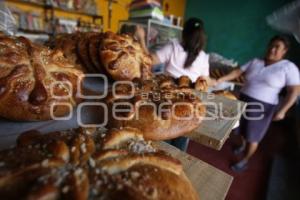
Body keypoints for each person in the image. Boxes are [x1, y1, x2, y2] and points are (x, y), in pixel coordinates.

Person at [217, 35, 300, 172]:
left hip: (262, 108)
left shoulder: (288, 67)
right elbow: (238, 72)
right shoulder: (256, 61)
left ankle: (245, 160)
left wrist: (283, 110)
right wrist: (220, 79)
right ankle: (242, 146)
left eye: (277, 47)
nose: (272, 49)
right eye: (271, 45)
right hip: (243, 100)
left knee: (253, 136)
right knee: (240, 129)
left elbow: (294, 91)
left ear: (284, 51)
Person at [135, 18, 216, 151]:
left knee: (159, 134)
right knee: (182, 135)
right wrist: (215, 81)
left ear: (184, 33)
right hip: (187, 103)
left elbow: (149, 60)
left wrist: (141, 38)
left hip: (164, 96)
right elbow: (205, 79)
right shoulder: (203, 57)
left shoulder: (173, 47)